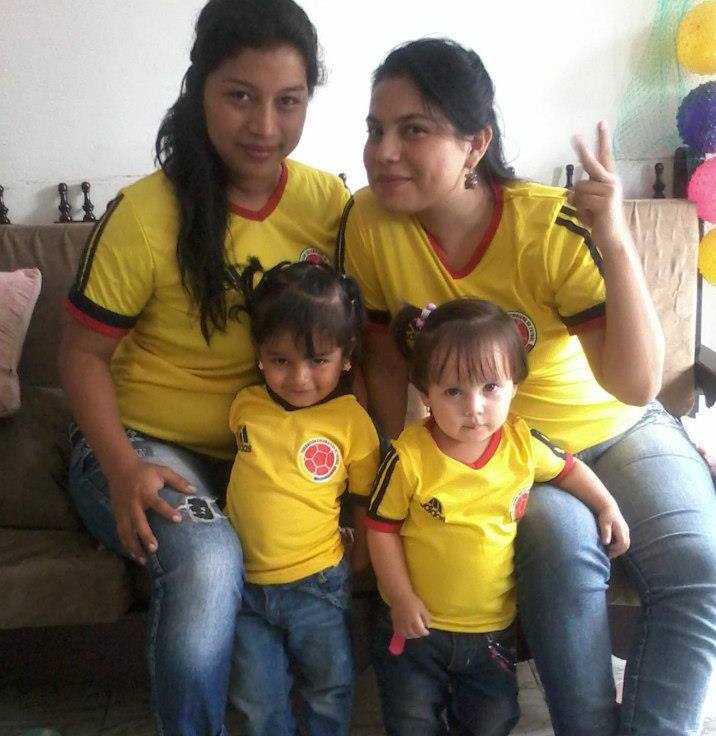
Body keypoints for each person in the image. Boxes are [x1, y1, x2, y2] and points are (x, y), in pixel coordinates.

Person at [338, 37, 716, 736]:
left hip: (621, 432)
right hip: (507, 455)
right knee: (564, 554)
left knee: (702, 567)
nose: (383, 151)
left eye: (413, 130)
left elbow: (635, 386)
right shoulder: (368, 222)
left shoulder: (545, 224)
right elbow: (383, 362)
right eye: (375, 129)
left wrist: (616, 239)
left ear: (476, 143)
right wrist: (388, 471)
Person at [58, 1, 349, 733]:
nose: (265, 126)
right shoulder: (144, 213)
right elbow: (81, 354)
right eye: (240, 96)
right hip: (141, 444)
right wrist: (123, 468)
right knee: (210, 559)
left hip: (265, 452)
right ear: (200, 91)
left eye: (289, 101)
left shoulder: (327, 203)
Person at [366, 298, 630, 736]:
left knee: (493, 720)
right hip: (415, 628)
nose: (474, 408)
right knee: (410, 721)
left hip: (491, 634)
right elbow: (381, 530)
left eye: (490, 387)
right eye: (453, 391)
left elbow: (569, 470)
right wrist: (400, 598)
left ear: (515, 386)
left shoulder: (522, 445)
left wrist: (606, 506)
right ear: (426, 392)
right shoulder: (408, 456)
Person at [224, 260, 380, 735]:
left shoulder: (353, 423)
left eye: (318, 361)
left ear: (346, 357)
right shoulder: (245, 405)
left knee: (329, 687)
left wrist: (362, 557)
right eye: (280, 361)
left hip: (318, 585)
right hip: (243, 585)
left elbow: (366, 500)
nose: (299, 378)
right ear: (259, 354)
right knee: (256, 699)